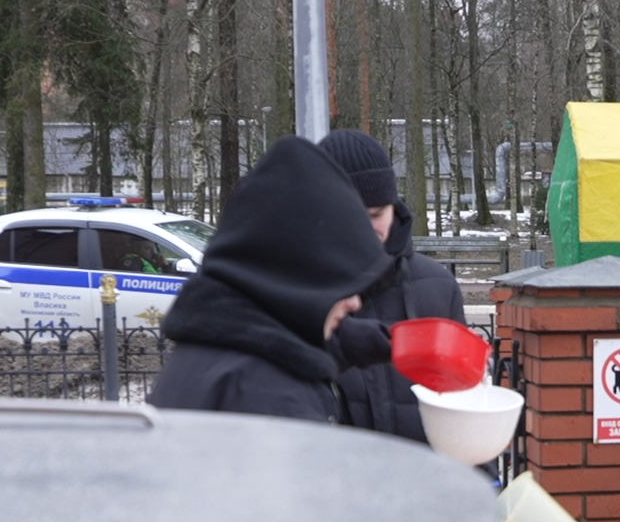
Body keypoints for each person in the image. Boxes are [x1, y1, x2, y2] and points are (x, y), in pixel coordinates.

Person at [150, 136, 390, 422]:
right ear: (296, 276)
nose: (354, 302)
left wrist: (386, 342)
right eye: (340, 282)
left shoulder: (213, 347)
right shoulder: (274, 400)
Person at [316, 128, 467, 442]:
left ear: (393, 207)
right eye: (356, 216)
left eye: (378, 213)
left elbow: (466, 403)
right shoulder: (300, 293)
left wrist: (480, 474)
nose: (370, 229)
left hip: (427, 483)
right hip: (336, 484)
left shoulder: (438, 287)